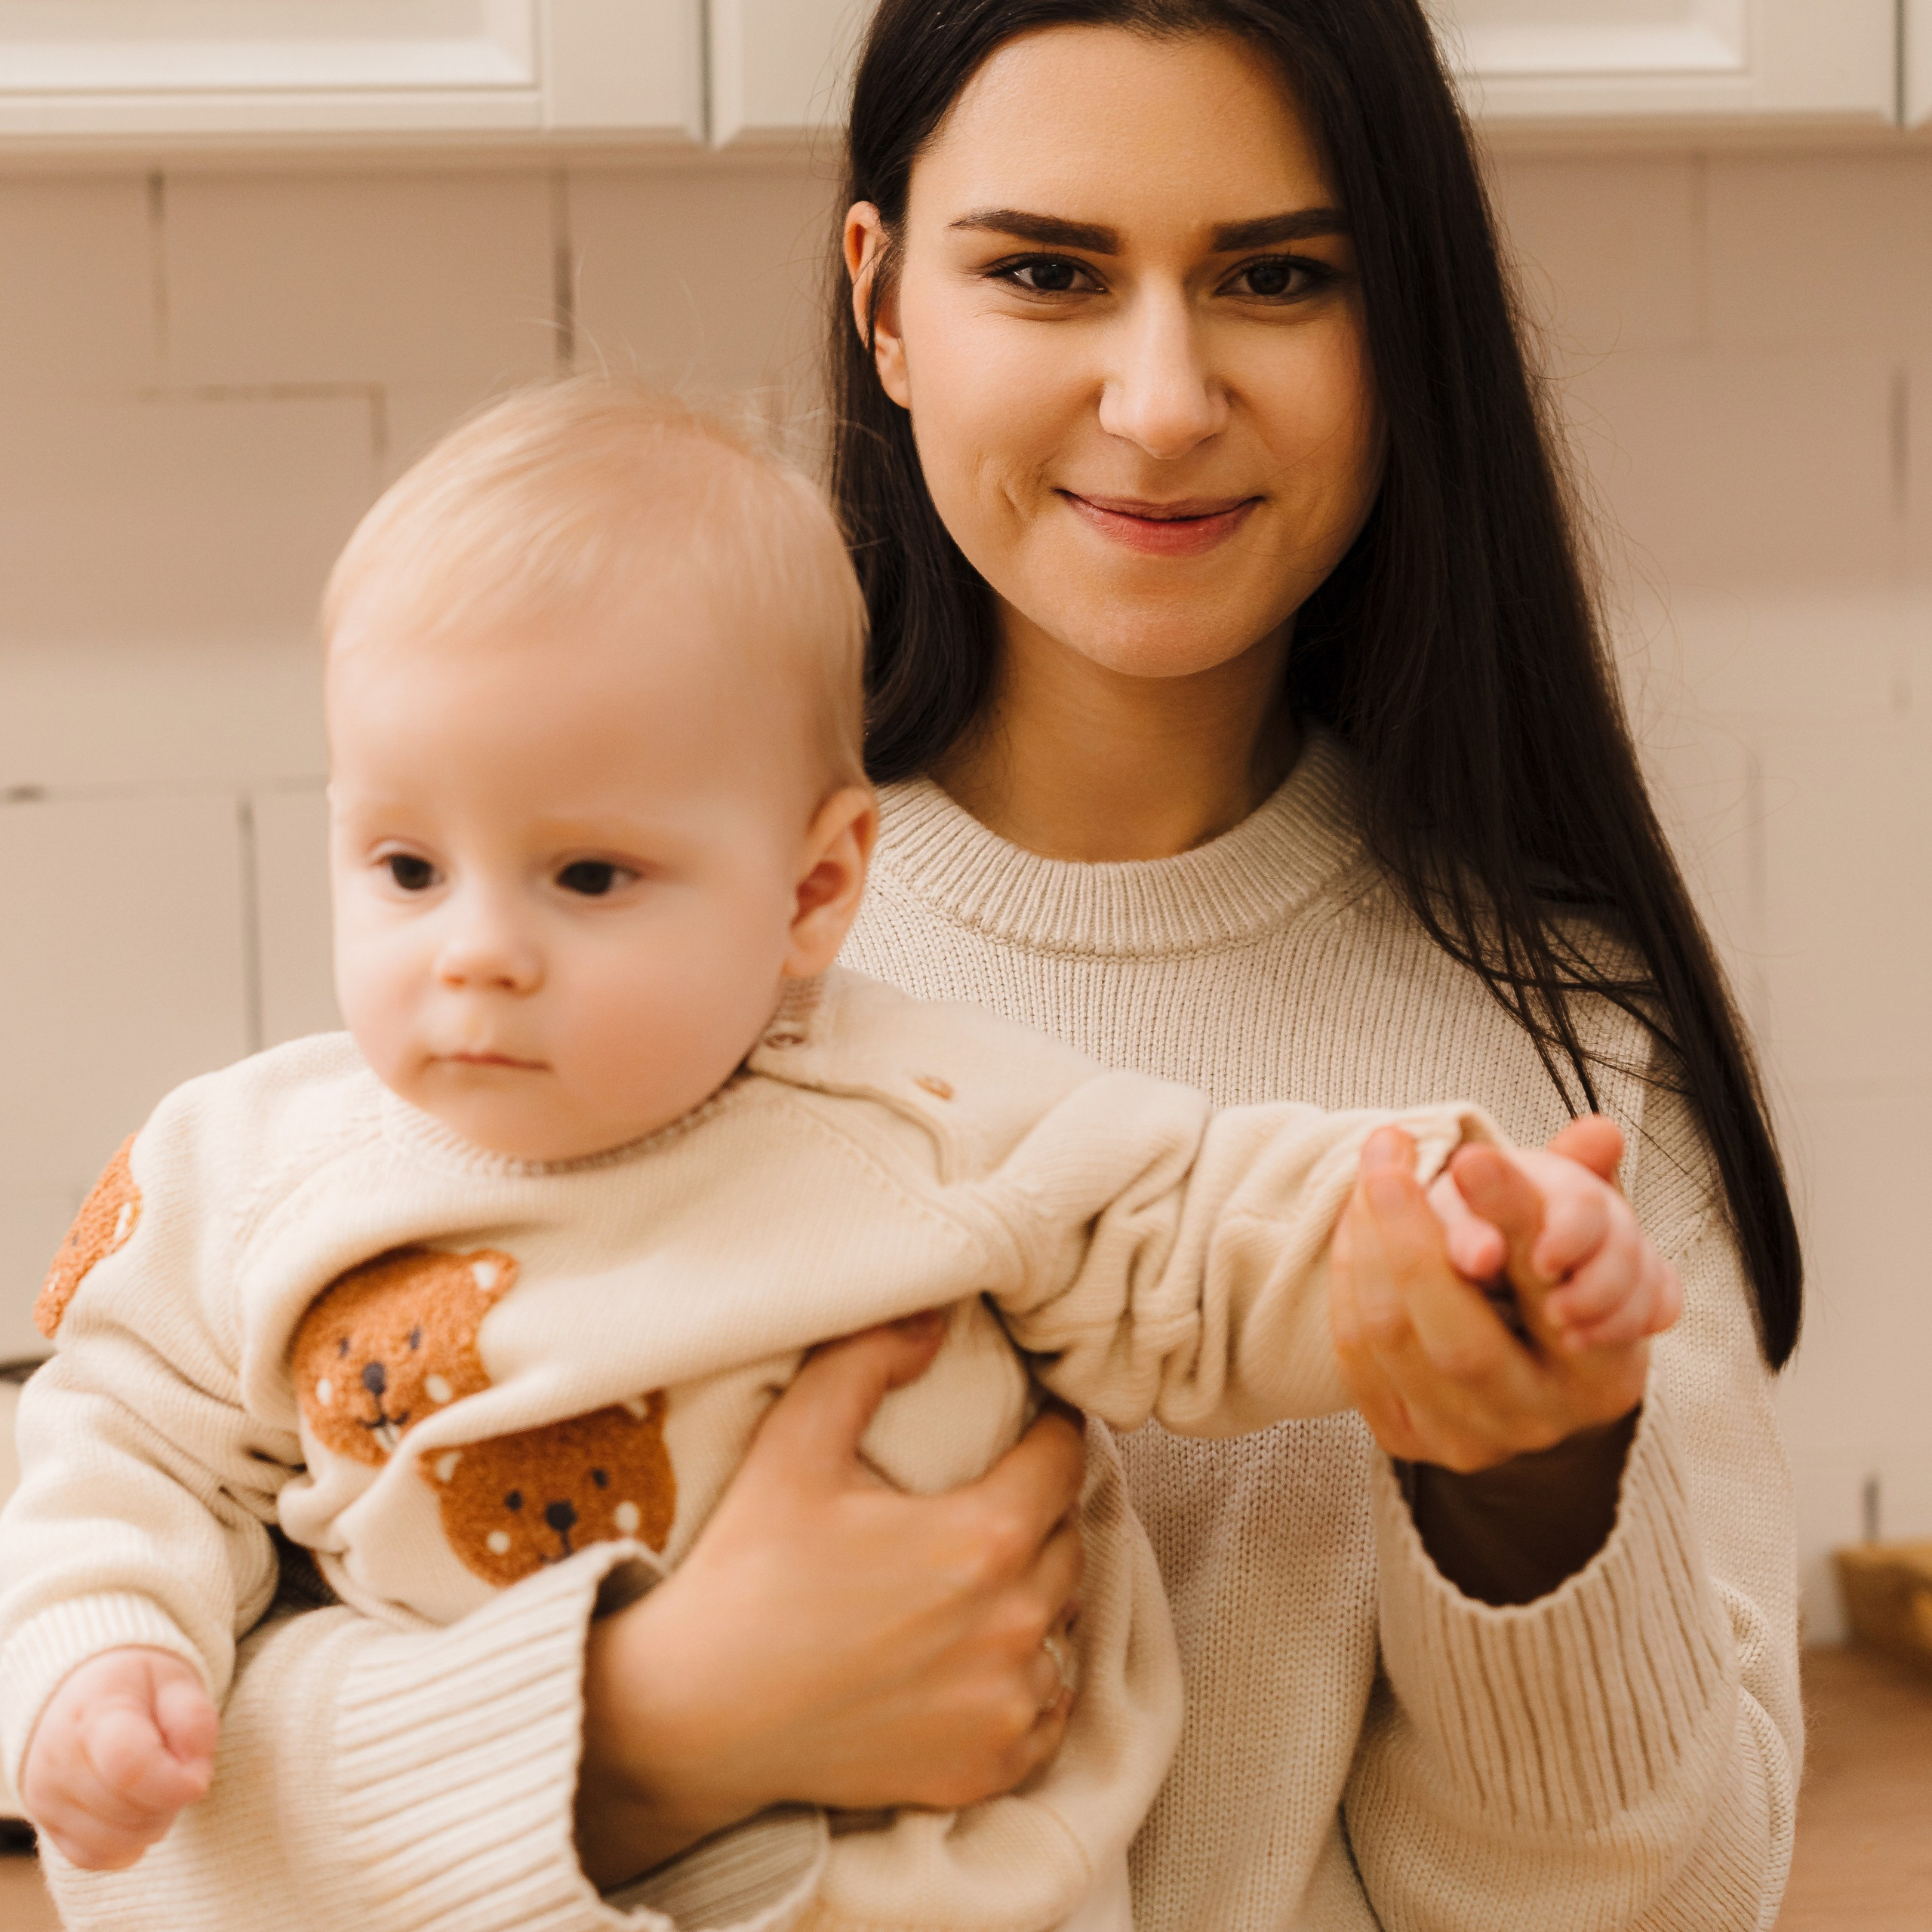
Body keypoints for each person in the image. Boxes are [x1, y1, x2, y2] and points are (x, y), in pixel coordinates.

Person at [20, 4, 1802, 1930]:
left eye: (1277, 277)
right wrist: (651, 1728)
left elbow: (1681, 1907)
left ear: (1402, 325)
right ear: (880, 301)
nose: (1158, 400)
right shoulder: (593, 958)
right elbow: (135, 1849)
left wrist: (1527, 1489)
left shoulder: (1555, 1073)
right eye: (1044, 271)